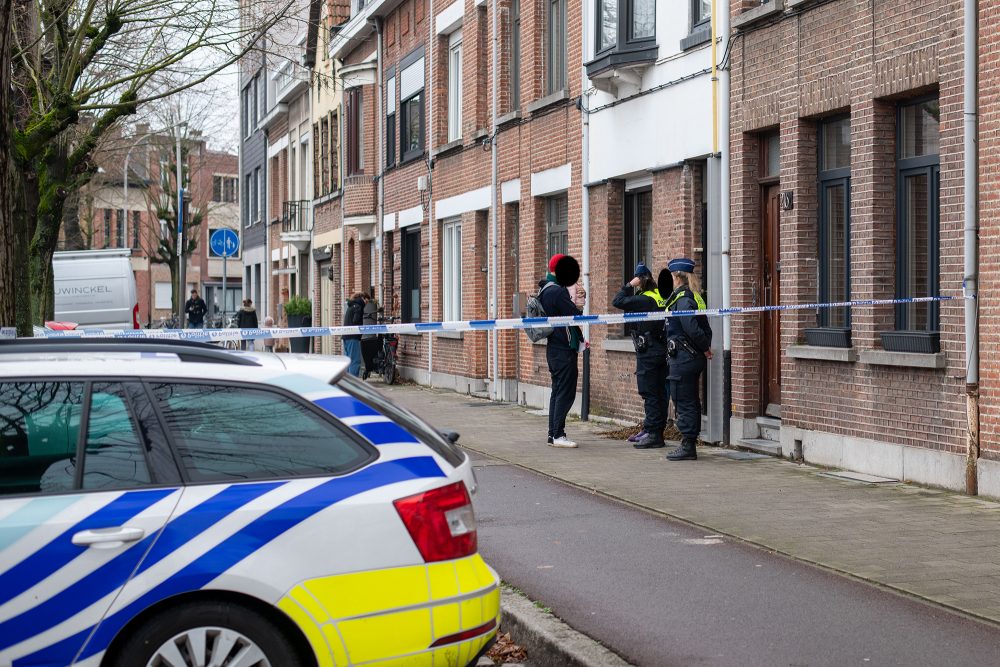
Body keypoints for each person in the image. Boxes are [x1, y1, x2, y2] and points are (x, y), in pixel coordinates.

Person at [658, 259, 713, 461]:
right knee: (690, 399)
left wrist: (704, 347)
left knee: (683, 399)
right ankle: (689, 441)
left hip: (684, 357)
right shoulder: (694, 297)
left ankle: (688, 445)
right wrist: (705, 348)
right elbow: (704, 327)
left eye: (672, 277)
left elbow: (691, 328)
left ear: (676, 277)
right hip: (690, 356)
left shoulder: (683, 300)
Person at [612, 262, 669, 449]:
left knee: (649, 392)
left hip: (649, 352)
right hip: (663, 350)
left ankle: (653, 434)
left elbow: (617, 301)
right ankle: (656, 430)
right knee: (660, 393)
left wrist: (629, 285)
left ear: (641, 280)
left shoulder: (645, 299)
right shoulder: (661, 295)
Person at [539, 253, 586, 448]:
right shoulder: (557, 292)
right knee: (565, 393)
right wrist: (580, 304)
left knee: (557, 391)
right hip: (563, 349)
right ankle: (558, 434)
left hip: (554, 348)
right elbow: (574, 315)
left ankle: (553, 434)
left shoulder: (545, 289)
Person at [342, 292, 366, 376]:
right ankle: (353, 381)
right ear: (363, 298)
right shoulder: (358, 307)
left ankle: (347, 380)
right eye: (367, 300)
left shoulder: (351, 305)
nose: (367, 302)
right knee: (355, 360)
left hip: (346, 336)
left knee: (348, 360)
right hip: (353, 336)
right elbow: (356, 320)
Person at [361, 290, 380, 379]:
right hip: (364, 337)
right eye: (366, 301)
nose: (367, 304)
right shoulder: (359, 306)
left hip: (365, 337)